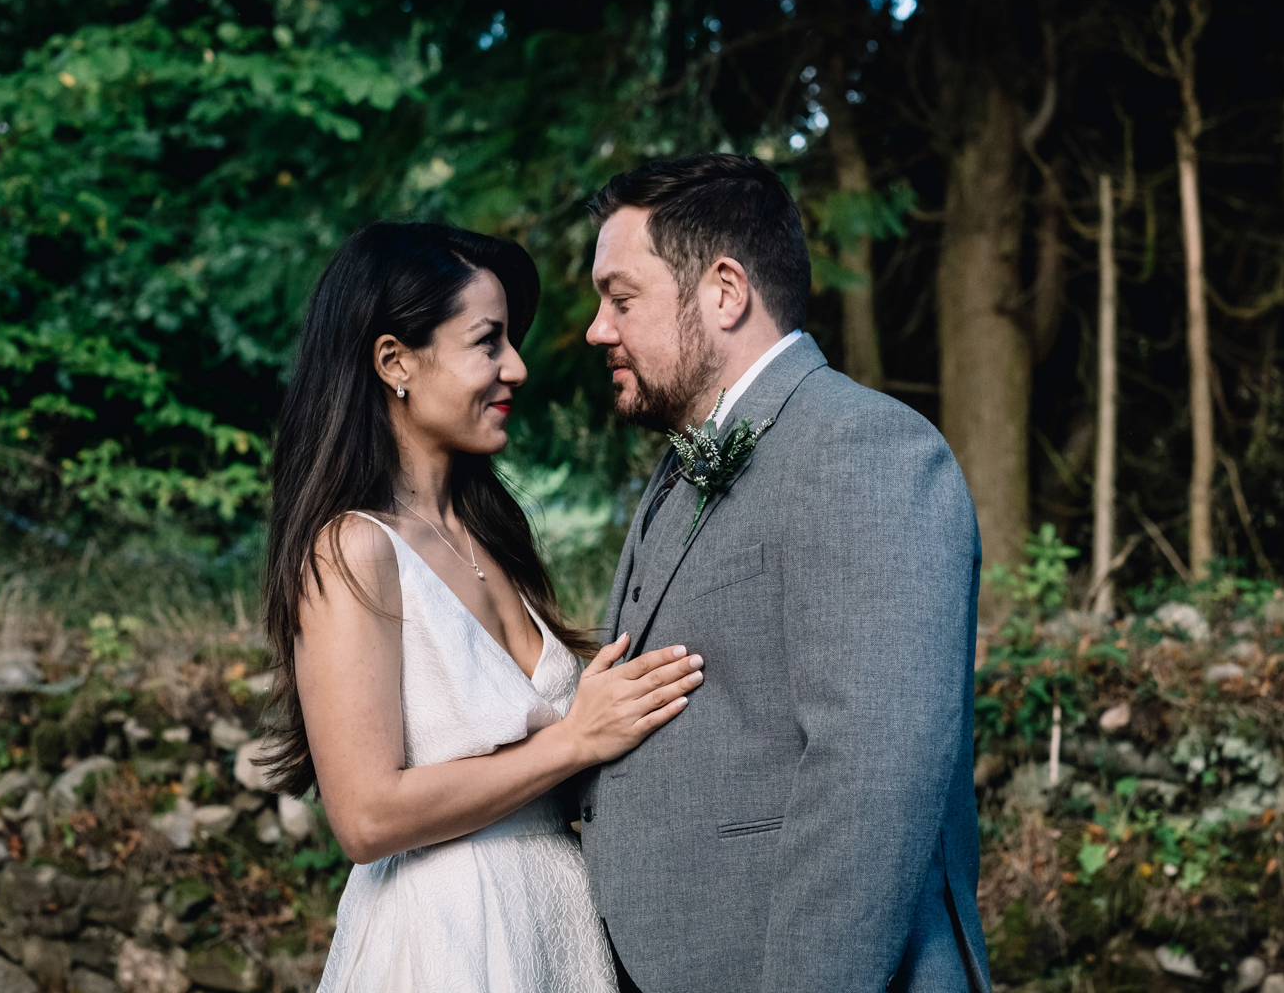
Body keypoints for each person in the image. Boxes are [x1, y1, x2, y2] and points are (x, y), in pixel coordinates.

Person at [580, 154, 992, 993]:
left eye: (621, 298)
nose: (596, 328)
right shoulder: (679, 468)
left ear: (725, 292)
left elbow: (870, 781)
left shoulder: (863, 448)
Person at [260, 222, 702, 993]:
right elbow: (365, 818)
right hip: (448, 936)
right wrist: (573, 741)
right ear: (395, 360)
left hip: (556, 924)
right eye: (488, 342)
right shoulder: (350, 549)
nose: (517, 368)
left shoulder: (489, 533)